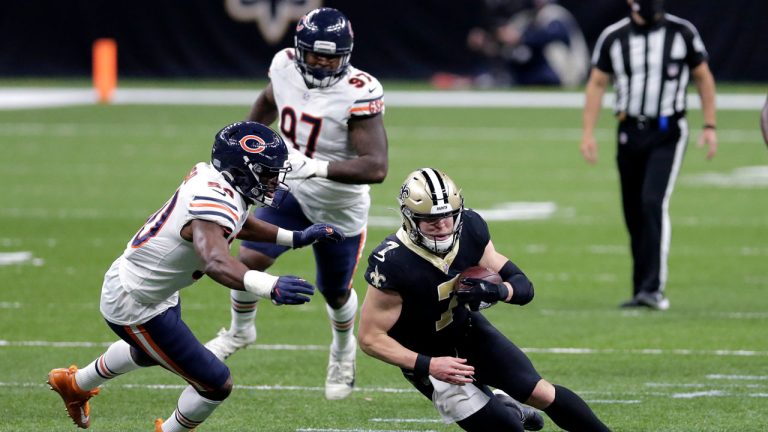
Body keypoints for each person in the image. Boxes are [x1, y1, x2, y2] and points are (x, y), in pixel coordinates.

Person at [47, 121, 344, 431]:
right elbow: (215, 260)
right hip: (135, 304)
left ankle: (75, 384)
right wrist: (268, 285)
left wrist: (295, 238)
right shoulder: (214, 202)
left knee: (148, 353)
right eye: (267, 173)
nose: (274, 181)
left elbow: (236, 221)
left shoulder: (218, 181)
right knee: (216, 384)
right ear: (242, 170)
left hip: (150, 288)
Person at [204, 7, 388, 401]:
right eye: (315, 54)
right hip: (289, 189)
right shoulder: (284, 66)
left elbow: (376, 167)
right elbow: (269, 100)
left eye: (330, 56)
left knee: (335, 291)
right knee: (248, 260)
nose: (322, 62)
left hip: (340, 205)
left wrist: (316, 167)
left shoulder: (359, 90)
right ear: (298, 49)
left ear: (347, 53)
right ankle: (240, 331)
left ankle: (342, 349)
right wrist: (246, 139)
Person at [358, 168, 610, 432]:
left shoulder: (470, 228)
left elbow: (523, 285)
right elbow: (370, 338)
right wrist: (429, 364)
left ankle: (507, 404)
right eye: (431, 220)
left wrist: (499, 291)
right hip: (426, 356)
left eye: (448, 216)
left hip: (468, 331)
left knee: (541, 393)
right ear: (410, 219)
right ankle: (505, 409)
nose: (443, 226)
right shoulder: (392, 262)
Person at [580, 0, 718, 310]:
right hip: (629, 131)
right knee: (633, 210)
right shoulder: (614, 37)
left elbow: (703, 76)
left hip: (667, 131)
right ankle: (641, 286)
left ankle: (654, 288)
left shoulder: (681, 32)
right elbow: (597, 82)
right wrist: (588, 133)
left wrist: (710, 125)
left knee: (652, 202)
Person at [465, 0, 589, 87]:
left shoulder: (554, 13)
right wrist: (486, 42)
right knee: (518, 58)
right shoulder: (526, 18)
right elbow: (509, 46)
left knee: (537, 54)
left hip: (568, 70)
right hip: (542, 72)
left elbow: (552, 34)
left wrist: (520, 37)